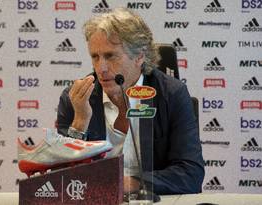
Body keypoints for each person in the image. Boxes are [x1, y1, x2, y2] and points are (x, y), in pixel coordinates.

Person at [57, 7, 204, 195]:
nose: (100, 68)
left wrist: (131, 184)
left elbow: (190, 173)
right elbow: (59, 179)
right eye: (95, 56)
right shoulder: (76, 98)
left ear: (140, 56)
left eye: (110, 56)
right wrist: (80, 122)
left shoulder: (171, 94)